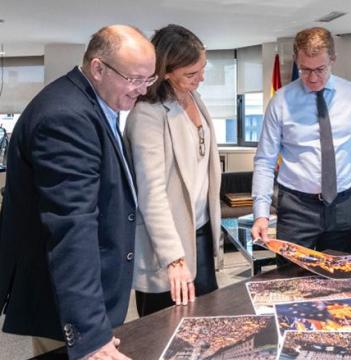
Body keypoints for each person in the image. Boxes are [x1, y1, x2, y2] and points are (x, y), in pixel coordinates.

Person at [0, 25, 156, 359]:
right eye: (135, 79)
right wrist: (88, 333)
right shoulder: (65, 115)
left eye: (149, 80)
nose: (142, 90)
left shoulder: (96, 104)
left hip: (92, 297)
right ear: (98, 68)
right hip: (64, 304)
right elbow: (72, 226)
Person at [124, 24, 221, 317]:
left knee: (208, 321)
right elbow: (151, 194)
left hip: (200, 233)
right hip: (168, 245)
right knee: (167, 329)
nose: (200, 79)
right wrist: (174, 258)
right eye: (191, 74)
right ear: (165, 72)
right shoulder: (147, 115)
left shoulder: (195, 98)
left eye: (202, 69)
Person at [251, 27, 351, 254]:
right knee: (291, 281)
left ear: (333, 60)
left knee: (340, 281)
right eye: (305, 70)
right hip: (297, 207)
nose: (313, 78)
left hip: (344, 205)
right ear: (297, 61)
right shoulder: (281, 101)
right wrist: (261, 213)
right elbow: (265, 160)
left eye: (320, 69)